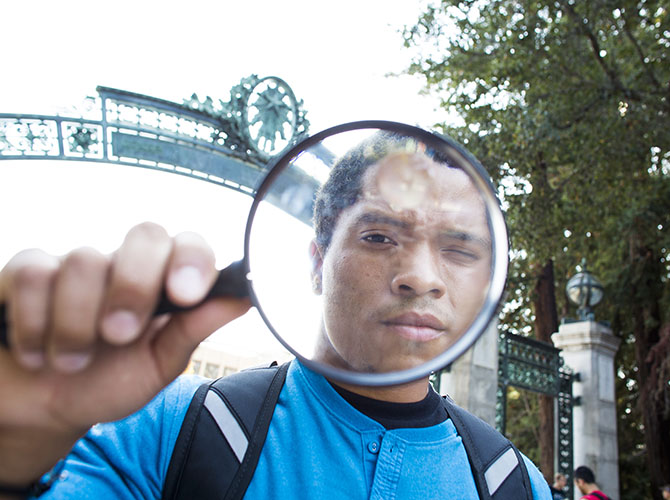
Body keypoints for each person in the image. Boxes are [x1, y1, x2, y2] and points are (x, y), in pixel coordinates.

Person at [0, 133, 551, 499]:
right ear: (317, 264)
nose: (422, 276)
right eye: (379, 236)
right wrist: (17, 448)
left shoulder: (515, 485)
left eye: (458, 251)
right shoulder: (167, 429)